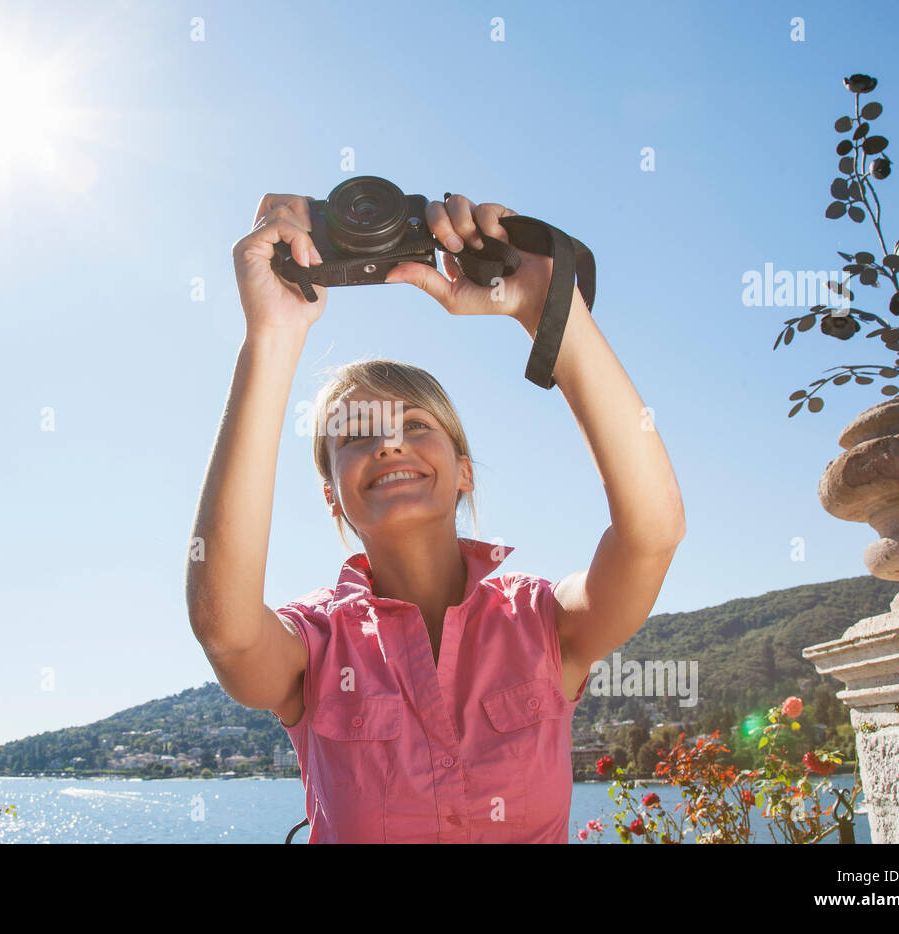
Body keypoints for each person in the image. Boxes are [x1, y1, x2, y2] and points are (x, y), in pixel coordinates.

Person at [186, 191, 686, 843]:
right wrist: (272, 337)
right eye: (358, 435)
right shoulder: (315, 646)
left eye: (415, 425)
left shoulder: (541, 623)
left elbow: (652, 532)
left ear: (464, 471)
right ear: (333, 495)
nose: (389, 443)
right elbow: (225, 631)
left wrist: (546, 309)